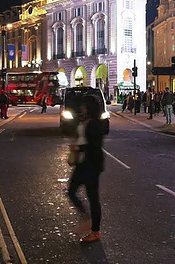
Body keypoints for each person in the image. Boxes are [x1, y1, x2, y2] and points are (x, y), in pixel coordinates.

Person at [67, 95, 106, 243]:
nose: (81, 107)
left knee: (92, 198)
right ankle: (88, 220)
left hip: (91, 164)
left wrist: (78, 147)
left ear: (89, 107)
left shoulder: (95, 124)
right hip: (83, 163)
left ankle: (94, 229)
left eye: (84, 105)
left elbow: (95, 146)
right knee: (72, 192)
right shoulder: (86, 121)